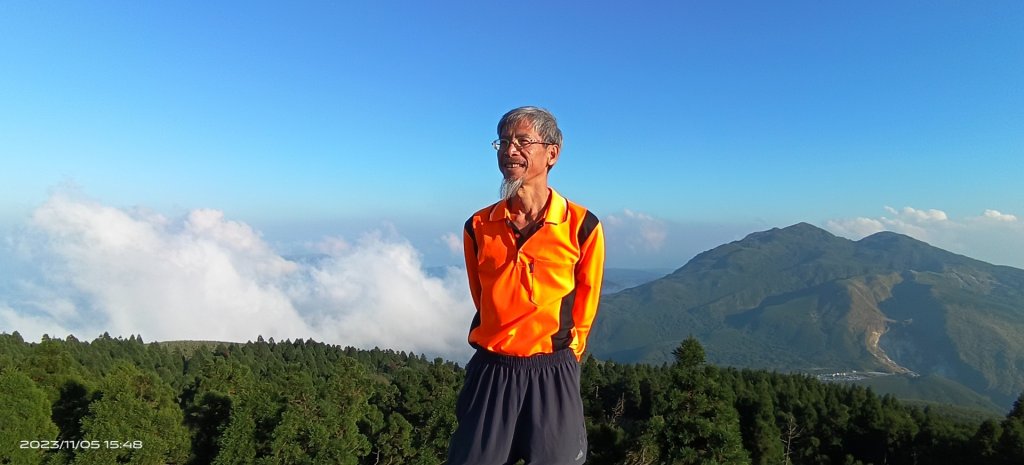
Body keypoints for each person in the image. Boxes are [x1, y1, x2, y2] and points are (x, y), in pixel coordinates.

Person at [447, 106, 605, 465]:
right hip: (492, 369)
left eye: (522, 141)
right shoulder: (479, 225)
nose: (509, 150)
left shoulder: (581, 225)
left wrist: (565, 360)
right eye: (503, 142)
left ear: (552, 153)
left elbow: (586, 303)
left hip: (553, 371)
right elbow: (483, 298)